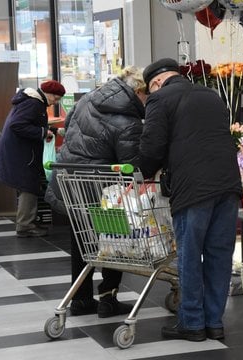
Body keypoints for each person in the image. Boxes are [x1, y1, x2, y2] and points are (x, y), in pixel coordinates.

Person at [139, 58, 242, 342]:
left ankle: (192, 323)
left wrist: (144, 173)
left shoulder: (160, 99)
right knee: (219, 256)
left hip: (192, 189)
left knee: (189, 256)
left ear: (157, 83)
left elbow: (151, 147)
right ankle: (214, 322)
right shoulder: (212, 95)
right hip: (228, 184)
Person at [45, 66, 147, 318]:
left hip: (69, 181)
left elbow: (68, 129)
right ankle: (108, 298)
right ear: (139, 91)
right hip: (101, 191)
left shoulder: (87, 98)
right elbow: (132, 165)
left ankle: (80, 299)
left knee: (82, 241)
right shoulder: (128, 121)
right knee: (115, 241)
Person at [0, 80, 65, 238]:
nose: (55, 102)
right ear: (49, 94)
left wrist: (52, 130)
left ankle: (27, 222)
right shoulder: (34, 104)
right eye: (56, 98)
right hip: (22, 153)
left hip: (20, 151)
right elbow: (17, 125)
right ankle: (25, 226)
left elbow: (31, 123)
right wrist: (43, 133)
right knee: (28, 186)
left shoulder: (32, 102)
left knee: (28, 185)